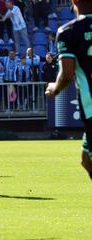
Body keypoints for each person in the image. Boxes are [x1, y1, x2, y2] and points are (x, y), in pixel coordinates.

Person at [46, 0, 92, 181]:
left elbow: (67, 74)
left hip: (91, 108)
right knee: (86, 158)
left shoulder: (68, 31)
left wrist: (54, 90)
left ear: (74, 2)